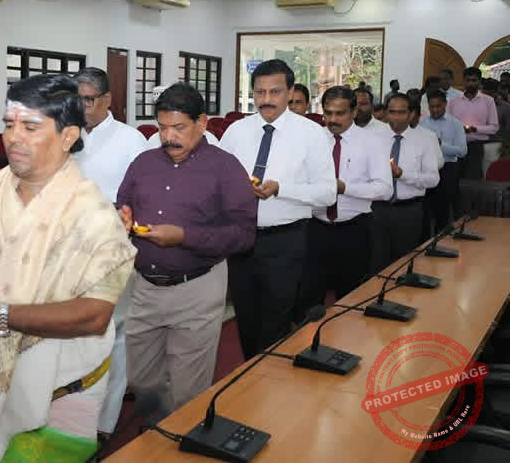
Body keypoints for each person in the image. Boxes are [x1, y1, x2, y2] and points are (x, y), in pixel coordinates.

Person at [0, 74, 137, 462]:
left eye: (31, 127)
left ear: (68, 136)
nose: (13, 137)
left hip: (62, 393)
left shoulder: (93, 215)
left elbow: (94, 316)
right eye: (9, 124)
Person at [117, 82, 257, 415]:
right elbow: (123, 203)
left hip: (197, 288)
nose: (168, 137)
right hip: (144, 288)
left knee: (187, 392)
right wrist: (122, 217)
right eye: (162, 127)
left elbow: (243, 235)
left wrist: (183, 236)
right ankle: (155, 427)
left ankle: (177, 434)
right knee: (141, 381)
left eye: (178, 127)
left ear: (202, 122)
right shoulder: (144, 163)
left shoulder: (226, 168)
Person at [221, 59, 336, 358]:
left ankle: (269, 377)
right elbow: (218, 181)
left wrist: (281, 189)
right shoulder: (235, 131)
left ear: (290, 92)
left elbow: (327, 194)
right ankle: (250, 374)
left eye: (275, 92)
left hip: (285, 240)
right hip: (241, 239)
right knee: (246, 316)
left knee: (276, 319)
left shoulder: (312, 134)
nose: (266, 100)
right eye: (260, 93)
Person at [72, 67, 146, 440]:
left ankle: (105, 422)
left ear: (107, 100)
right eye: (77, 99)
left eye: (88, 99)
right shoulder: (66, 135)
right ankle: (74, 416)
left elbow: (142, 198)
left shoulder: (131, 141)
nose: (81, 106)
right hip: (69, 252)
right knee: (75, 335)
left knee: (112, 334)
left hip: (113, 250)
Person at [298, 87, 391, 312]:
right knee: (309, 296)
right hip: (315, 228)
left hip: (354, 231)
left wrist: (345, 188)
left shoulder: (372, 142)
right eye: (328, 113)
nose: (333, 119)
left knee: (350, 298)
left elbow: (385, 189)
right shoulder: (312, 139)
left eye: (340, 113)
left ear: (354, 112)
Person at [370, 93, 440, 273]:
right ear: (385, 113)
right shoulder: (373, 138)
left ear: (411, 114)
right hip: (377, 210)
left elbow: (433, 179)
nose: (396, 117)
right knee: (376, 263)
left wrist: (403, 175)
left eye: (401, 112)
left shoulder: (426, 139)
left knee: (403, 263)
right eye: (392, 112)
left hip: (408, 211)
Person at [420, 90, 467, 233]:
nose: (435, 110)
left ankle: (441, 238)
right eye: (432, 106)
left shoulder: (455, 124)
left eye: (438, 106)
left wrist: (440, 145)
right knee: (425, 208)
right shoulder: (423, 123)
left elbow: (462, 151)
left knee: (443, 210)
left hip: (448, 169)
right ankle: (426, 240)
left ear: (445, 104)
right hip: (427, 168)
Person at [448, 67, 499, 179]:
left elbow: (494, 127)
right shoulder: (453, 101)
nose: (470, 83)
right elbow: (447, 124)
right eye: (468, 80)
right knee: (454, 178)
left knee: (473, 178)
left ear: (479, 82)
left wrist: (474, 129)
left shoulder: (488, 101)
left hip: (477, 146)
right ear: (463, 81)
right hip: (456, 145)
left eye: (474, 80)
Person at [409, 102, 445, 241]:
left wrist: (422, 167)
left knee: (421, 229)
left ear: (418, 116)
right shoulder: (387, 134)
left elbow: (440, 161)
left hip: (422, 189)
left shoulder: (428, 136)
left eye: (411, 114)